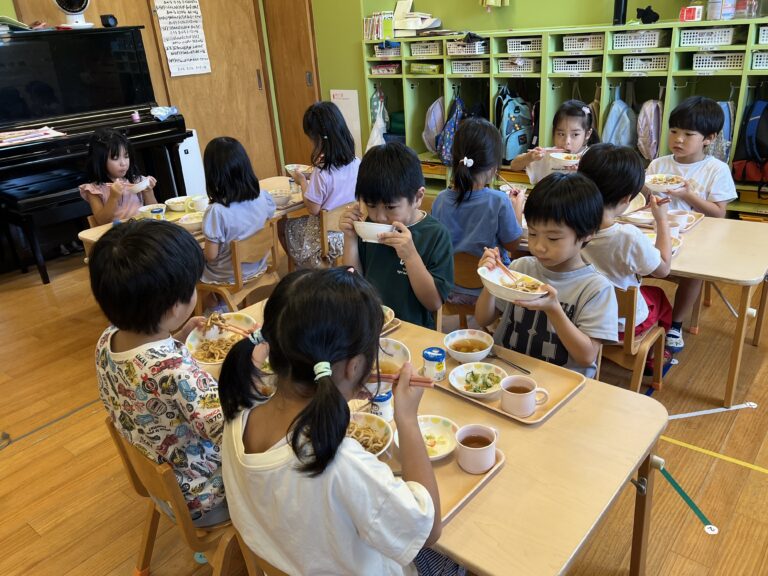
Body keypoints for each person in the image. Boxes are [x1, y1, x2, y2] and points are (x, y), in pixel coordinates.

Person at [219, 268, 455, 575]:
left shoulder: (238, 414)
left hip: (286, 561)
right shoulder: (338, 463)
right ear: (353, 366)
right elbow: (429, 528)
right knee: (460, 553)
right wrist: (407, 420)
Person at [89, 219, 228, 526]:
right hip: (204, 498)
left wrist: (179, 334)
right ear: (173, 306)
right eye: (192, 287)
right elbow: (231, 432)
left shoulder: (107, 339)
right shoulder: (176, 372)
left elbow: (145, 369)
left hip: (159, 483)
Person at [474, 172, 618, 378]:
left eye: (553, 238)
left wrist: (554, 310)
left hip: (561, 381)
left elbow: (586, 357)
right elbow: (483, 318)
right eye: (533, 234)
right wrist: (490, 280)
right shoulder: (521, 268)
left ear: (587, 234)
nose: (539, 246)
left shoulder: (595, 289)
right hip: (505, 372)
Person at [646, 96, 737, 352]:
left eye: (688, 134)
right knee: (630, 256)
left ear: (709, 138)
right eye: (674, 131)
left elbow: (718, 214)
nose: (678, 139)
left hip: (698, 239)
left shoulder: (716, 169)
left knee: (693, 274)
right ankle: (638, 314)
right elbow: (644, 198)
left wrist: (687, 195)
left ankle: (675, 324)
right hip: (658, 232)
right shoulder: (658, 164)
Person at [579, 144, 673, 370]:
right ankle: (652, 355)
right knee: (658, 296)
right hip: (619, 326)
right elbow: (663, 269)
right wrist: (662, 220)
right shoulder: (627, 236)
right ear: (627, 198)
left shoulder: (568, 223)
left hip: (578, 313)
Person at [341, 142, 453, 329]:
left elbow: (433, 303)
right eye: (371, 205)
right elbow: (353, 285)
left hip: (413, 330)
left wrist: (410, 256)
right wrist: (350, 238)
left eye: (390, 207)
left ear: (418, 197)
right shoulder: (368, 225)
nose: (379, 216)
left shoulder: (435, 235)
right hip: (371, 325)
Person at [431, 117, 523, 305]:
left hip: (449, 290)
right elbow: (513, 245)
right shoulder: (499, 201)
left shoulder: (440, 200)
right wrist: (517, 209)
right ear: (493, 168)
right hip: (490, 292)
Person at [285, 101, 360, 268]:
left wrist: (302, 181)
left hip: (326, 239)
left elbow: (313, 209)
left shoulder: (322, 171)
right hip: (350, 230)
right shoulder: (356, 162)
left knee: (286, 226)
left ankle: (303, 270)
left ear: (318, 139)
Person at [201, 137, 276, 298]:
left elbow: (211, 256)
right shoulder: (262, 197)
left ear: (213, 174)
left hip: (228, 274)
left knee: (189, 263)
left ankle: (213, 304)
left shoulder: (217, 211)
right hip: (257, 265)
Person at [508, 99, 599, 184]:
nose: (567, 141)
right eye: (561, 134)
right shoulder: (548, 155)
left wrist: (581, 172)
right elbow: (514, 165)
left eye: (575, 135)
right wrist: (529, 157)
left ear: (587, 134)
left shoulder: (592, 159)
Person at [79, 128, 158, 225]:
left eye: (126, 156)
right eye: (115, 158)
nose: (123, 163)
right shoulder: (94, 190)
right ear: (100, 161)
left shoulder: (137, 181)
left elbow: (155, 212)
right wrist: (113, 197)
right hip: (117, 233)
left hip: (142, 228)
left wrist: (148, 191)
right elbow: (102, 222)